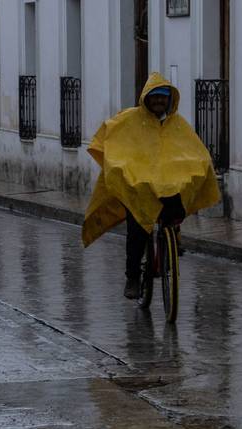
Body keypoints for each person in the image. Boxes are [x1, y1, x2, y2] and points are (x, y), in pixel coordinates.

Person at [81, 72, 220, 299]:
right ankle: (133, 277)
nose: (158, 101)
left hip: (168, 187)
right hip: (138, 189)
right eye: (154, 97)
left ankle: (173, 239)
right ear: (146, 98)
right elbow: (113, 144)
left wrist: (199, 167)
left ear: (169, 99)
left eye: (162, 97)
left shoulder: (178, 125)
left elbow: (194, 152)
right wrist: (123, 171)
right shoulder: (129, 120)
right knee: (137, 229)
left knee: (176, 210)